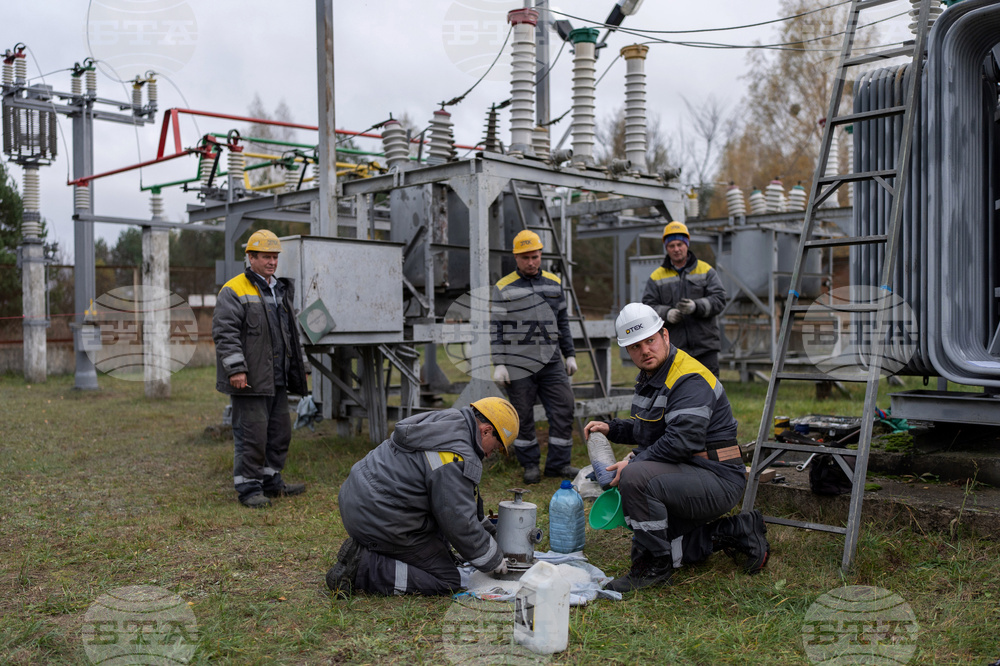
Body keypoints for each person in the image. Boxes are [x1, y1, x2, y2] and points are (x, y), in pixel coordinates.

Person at [583, 303, 768, 593]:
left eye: (650, 341)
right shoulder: (652, 375)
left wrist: (633, 464)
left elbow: (681, 441)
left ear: (665, 336)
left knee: (635, 478)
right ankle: (736, 531)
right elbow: (650, 428)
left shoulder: (688, 378)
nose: (644, 350)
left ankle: (655, 567)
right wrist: (612, 428)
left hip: (716, 477)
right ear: (627, 351)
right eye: (635, 346)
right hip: (687, 473)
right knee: (664, 544)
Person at [326, 397, 519, 597]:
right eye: (495, 448)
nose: (489, 455)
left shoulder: (450, 422)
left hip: (361, 501)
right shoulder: (455, 456)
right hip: (379, 517)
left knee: (439, 545)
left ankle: (372, 550)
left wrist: (492, 535)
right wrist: (492, 560)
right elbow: (457, 520)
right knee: (447, 579)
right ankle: (363, 567)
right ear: (486, 430)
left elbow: (461, 503)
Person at [213, 229, 308, 509]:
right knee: (252, 434)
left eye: (275, 257)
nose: (272, 262)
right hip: (250, 379)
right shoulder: (234, 289)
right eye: (266, 256)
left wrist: (298, 368)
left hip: (276, 378)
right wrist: (236, 370)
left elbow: (290, 333)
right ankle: (248, 488)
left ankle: (271, 480)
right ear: (250, 257)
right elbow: (225, 333)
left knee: (280, 432)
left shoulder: (278, 289)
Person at [491, 229, 579, 485]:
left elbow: (563, 322)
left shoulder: (553, 282)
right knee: (522, 415)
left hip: (551, 362)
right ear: (516, 257)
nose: (531, 262)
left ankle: (558, 464)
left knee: (564, 407)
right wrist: (500, 363)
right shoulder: (503, 287)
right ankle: (529, 464)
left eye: (535, 256)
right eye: (526, 257)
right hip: (519, 365)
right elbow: (496, 327)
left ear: (541, 255)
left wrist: (570, 355)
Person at [642, 221, 727, 377]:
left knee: (710, 393)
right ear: (666, 248)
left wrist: (696, 306)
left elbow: (719, 299)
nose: (676, 249)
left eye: (680, 244)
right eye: (671, 245)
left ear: (687, 244)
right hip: (674, 349)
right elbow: (648, 308)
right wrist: (667, 314)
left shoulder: (706, 270)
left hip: (705, 348)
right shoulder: (656, 277)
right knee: (679, 395)